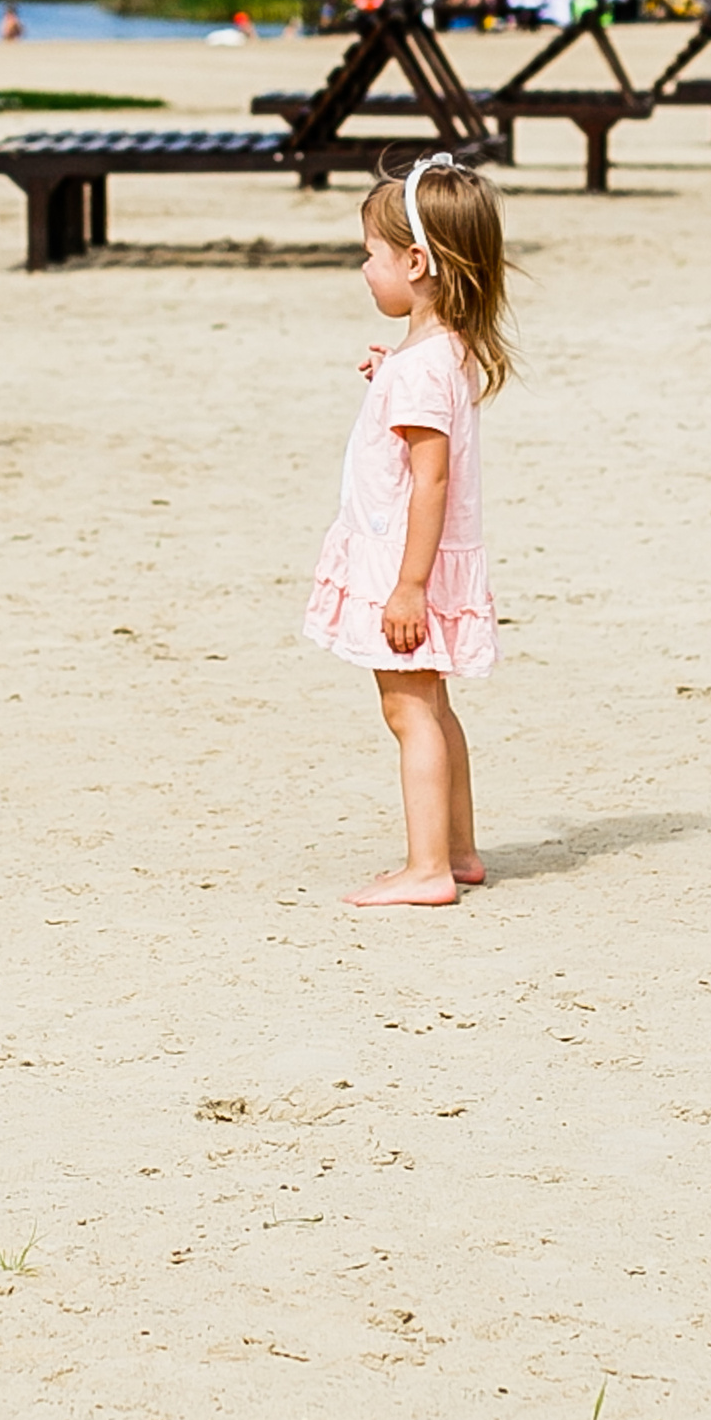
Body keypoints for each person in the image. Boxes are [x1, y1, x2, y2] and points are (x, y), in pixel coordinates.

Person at [303, 155, 514, 907]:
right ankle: (456, 850)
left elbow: (431, 478)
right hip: (413, 560)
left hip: (405, 563)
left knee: (408, 710)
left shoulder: (423, 369)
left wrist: (408, 588)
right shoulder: (432, 353)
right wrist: (388, 372)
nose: (365, 269)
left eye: (372, 254)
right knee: (433, 705)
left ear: (416, 262)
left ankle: (426, 869)